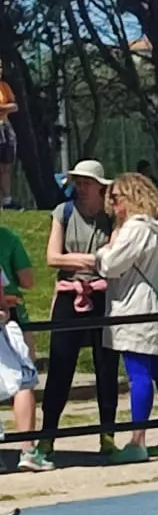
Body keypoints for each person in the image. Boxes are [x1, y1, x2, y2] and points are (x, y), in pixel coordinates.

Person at [95, 172, 158, 463]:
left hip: (136, 308)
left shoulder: (135, 228)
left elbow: (111, 264)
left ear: (131, 198)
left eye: (116, 198)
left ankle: (137, 440)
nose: (112, 204)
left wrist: (99, 253)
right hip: (157, 305)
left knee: (139, 374)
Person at [36, 159, 119, 463]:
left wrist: (86, 260)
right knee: (60, 366)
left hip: (101, 297)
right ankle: (47, 438)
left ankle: (108, 436)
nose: (81, 188)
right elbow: (53, 258)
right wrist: (91, 261)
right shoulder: (64, 212)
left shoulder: (112, 217)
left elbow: (113, 258)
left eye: (86, 182)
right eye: (77, 182)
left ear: (101, 186)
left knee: (107, 366)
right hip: (69, 296)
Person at [0, 217, 50, 472]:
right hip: (9, 317)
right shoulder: (7, 238)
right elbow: (27, 280)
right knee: (23, 380)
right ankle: (28, 449)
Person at [0, 63, 18, 209]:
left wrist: (3, 108)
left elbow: (14, 106)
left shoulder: (4, 86)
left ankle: (7, 201)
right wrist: (7, 108)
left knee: (5, 166)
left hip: (5, 128)